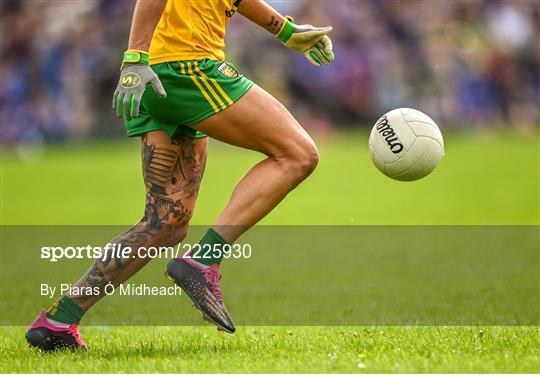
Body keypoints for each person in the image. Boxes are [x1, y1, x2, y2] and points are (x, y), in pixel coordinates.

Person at [25, 0, 334, 351]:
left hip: (158, 76)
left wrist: (286, 31)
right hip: (185, 66)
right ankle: (203, 260)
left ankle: (59, 321)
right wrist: (134, 57)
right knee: (298, 154)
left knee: (165, 224)